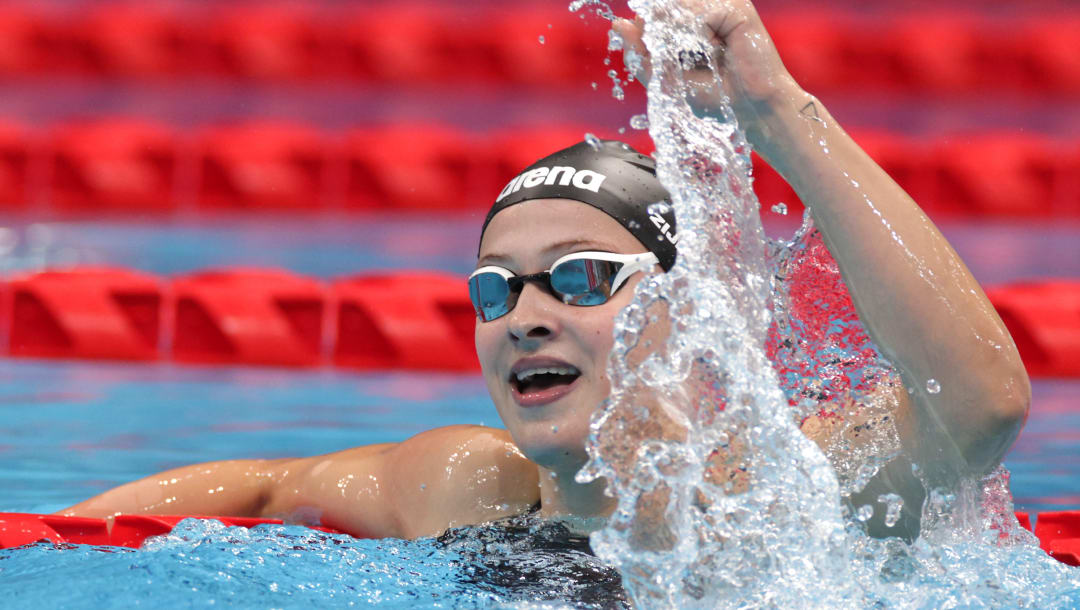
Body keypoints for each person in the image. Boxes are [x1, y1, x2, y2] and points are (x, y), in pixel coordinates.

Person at [60, 0, 1029, 542]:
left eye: (576, 279)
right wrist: (50, 533)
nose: (522, 315)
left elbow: (979, 403)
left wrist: (776, 113)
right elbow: (263, 488)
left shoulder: (787, 497)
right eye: (497, 287)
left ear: (689, 309)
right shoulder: (474, 485)